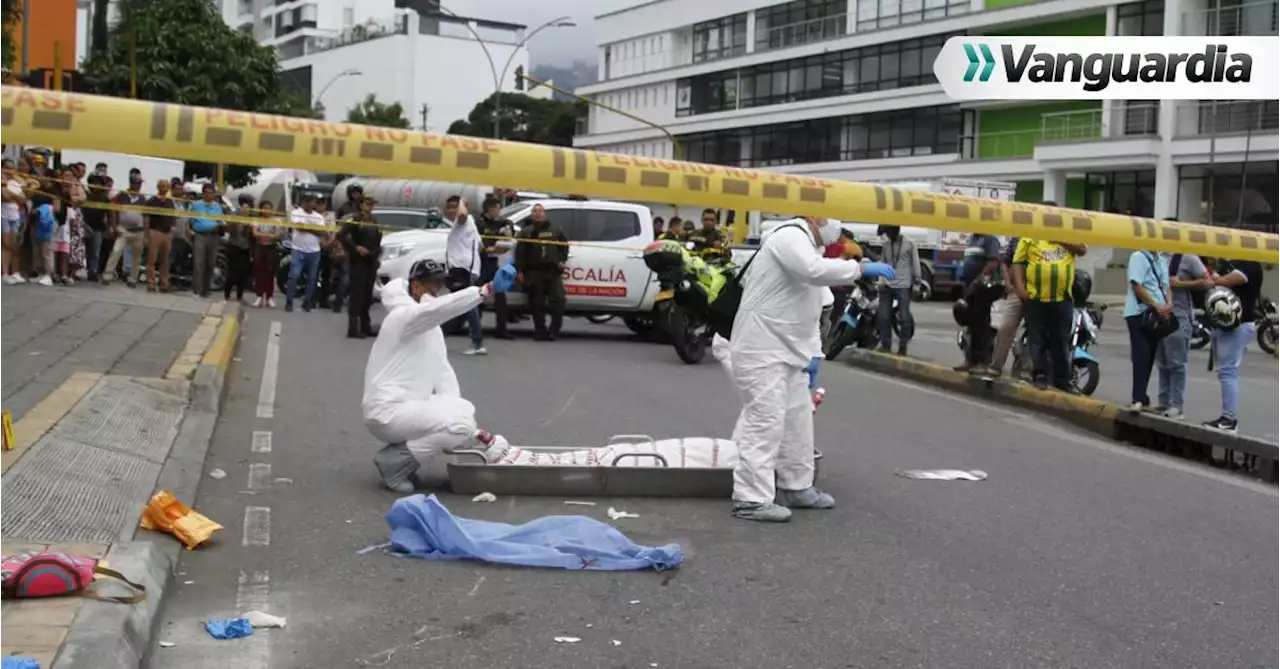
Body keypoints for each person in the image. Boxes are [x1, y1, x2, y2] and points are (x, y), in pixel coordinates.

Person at [727, 216, 893, 523]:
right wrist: (859, 269)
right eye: (833, 224)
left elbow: (816, 308)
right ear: (815, 217)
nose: (837, 234)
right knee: (765, 421)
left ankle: (796, 486)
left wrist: (813, 353)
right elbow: (812, 272)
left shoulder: (809, 247)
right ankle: (750, 498)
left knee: (797, 422)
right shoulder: (788, 236)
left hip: (790, 351)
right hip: (761, 349)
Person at [364, 259, 494, 493]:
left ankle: (405, 457)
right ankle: (393, 462)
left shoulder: (429, 328)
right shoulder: (403, 317)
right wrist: (484, 291)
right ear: (415, 287)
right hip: (387, 411)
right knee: (460, 426)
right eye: (431, 285)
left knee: (464, 416)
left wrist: (459, 416)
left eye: (439, 286)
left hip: (406, 407)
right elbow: (437, 309)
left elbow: (443, 373)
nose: (437, 291)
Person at [1012, 230, 1088, 391]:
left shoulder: (1070, 234)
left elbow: (1082, 250)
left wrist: (1060, 239)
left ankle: (1062, 380)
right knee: (1037, 339)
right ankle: (1040, 376)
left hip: (1062, 299)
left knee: (1061, 339)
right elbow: (1017, 262)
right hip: (1035, 298)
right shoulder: (1029, 237)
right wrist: (1020, 287)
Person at [1203, 258, 1264, 432]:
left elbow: (1231, 279)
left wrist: (1215, 278)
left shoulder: (1251, 264)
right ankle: (1227, 417)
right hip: (1228, 325)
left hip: (1239, 326)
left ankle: (1229, 420)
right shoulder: (1236, 263)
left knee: (1228, 371)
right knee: (1225, 371)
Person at [1154, 237, 1212, 419]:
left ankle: (1176, 406)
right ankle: (1163, 402)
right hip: (1159, 314)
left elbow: (1208, 281)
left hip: (1179, 316)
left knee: (1177, 363)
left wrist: (1182, 284)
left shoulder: (1187, 258)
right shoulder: (1157, 255)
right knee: (1162, 362)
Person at [1124, 248, 1174, 411]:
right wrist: (1155, 305)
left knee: (1150, 355)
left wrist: (1168, 304)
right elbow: (1137, 286)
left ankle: (1142, 397)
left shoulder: (1161, 258)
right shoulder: (1138, 256)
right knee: (1141, 355)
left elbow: (1167, 286)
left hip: (1157, 315)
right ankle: (1137, 398)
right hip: (1139, 313)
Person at [514, 203, 568, 341]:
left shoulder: (556, 231)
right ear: (532, 214)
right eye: (535, 211)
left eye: (540, 211)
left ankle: (553, 331)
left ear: (544, 213)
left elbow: (564, 247)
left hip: (552, 271)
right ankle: (540, 330)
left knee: (559, 301)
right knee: (537, 304)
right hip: (534, 272)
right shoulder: (526, 232)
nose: (538, 213)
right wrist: (520, 271)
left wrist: (561, 260)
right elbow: (520, 254)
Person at [956, 232, 1003, 375]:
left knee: (981, 326)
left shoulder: (990, 239)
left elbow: (993, 263)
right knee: (970, 325)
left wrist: (979, 279)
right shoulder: (972, 239)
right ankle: (970, 359)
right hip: (969, 287)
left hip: (981, 289)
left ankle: (982, 361)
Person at [444, 195, 485, 355]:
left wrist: (462, 200)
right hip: (468, 270)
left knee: (467, 305)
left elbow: (462, 215)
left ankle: (477, 342)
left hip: (463, 270)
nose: (452, 210)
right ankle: (440, 335)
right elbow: (480, 245)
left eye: (455, 206)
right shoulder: (471, 224)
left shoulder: (464, 221)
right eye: (449, 207)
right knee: (459, 306)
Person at [338, 195, 382, 338]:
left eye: (372, 205)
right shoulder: (355, 219)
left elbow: (378, 241)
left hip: (371, 261)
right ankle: (353, 328)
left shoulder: (374, 221)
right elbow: (341, 235)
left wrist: (374, 254)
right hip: (358, 261)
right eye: (368, 204)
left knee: (367, 295)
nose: (371, 207)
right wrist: (356, 248)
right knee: (357, 294)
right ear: (361, 205)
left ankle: (365, 326)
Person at [875, 224, 920, 355]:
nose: (888, 235)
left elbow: (915, 263)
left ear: (896, 230)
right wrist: (881, 281)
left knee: (904, 318)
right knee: (883, 316)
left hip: (903, 285)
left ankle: (903, 347)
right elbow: (882, 264)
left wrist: (917, 281)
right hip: (887, 285)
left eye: (889, 232)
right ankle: (886, 345)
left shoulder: (910, 244)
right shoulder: (886, 246)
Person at [477, 195, 515, 340]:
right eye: (498, 209)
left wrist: (508, 229)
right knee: (478, 296)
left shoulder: (499, 223)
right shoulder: (479, 224)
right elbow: (478, 243)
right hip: (481, 264)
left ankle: (501, 329)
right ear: (490, 209)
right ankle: (476, 327)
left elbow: (509, 225)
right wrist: (489, 249)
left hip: (494, 264)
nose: (499, 212)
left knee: (500, 298)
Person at [104, 168, 148, 287]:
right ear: (131, 183)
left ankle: (133, 278)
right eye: (137, 183)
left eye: (140, 184)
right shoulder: (121, 196)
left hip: (139, 231)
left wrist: (146, 233)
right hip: (123, 229)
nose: (139, 186)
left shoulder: (143, 199)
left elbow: (146, 216)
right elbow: (113, 210)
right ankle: (107, 275)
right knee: (116, 251)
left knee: (136, 256)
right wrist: (114, 226)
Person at [285, 195, 326, 312]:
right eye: (307, 201)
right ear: (302, 202)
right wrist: (314, 229)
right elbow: (299, 227)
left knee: (312, 278)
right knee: (294, 275)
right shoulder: (296, 213)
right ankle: (289, 301)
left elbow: (323, 232)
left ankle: (306, 302)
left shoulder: (319, 217)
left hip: (314, 251)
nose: (310, 204)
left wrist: (308, 228)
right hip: (298, 249)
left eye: (312, 201)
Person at [991, 235, 1024, 375]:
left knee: (1035, 334)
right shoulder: (1018, 239)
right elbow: (1005, 262)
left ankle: (1025, 370)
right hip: (1016, 291)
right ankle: (996, 366)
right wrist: (1008, 283)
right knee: (1005, 327)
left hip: (1037, 293)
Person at [189, 183, 224, 297]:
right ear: (203, 193)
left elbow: (221, 221)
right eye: (206, 192)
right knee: (198, 263)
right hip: (200, 235)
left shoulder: (217, 207)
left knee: (211, 263)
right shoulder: (196, 205)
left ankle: (206, 289)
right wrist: (193, 231)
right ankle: (196, 290)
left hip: (213, 236)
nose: (209, 195)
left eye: (211, 193)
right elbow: (191, 220)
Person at [144, 179, 177, 292]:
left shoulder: (170, 201)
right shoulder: (152, 201)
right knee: (152, 259)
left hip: (167, 233)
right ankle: (151, 282)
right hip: (155, 231)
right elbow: (146, 217)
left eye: (165, 186)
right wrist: (147, 234)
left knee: (165, 259)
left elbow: (173, 217)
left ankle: (164, 283)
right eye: (161, 186)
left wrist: (172, 230)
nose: (163, 188)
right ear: (158, 187)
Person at [221, 194, 254, 302]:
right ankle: (227, 294)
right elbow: (229, 229)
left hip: (246, 247)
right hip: (235, 246)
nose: (248, 207)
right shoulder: (234, 215)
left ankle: (240, 296)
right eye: (247, 204)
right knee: (233, 272)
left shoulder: (251, 217)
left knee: (243, 274)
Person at [1, 158, 28, 284]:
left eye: (12, 167)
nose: (10, 170)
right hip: (3, 215)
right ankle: (5, 273)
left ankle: (15, 272)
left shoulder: (16, 182)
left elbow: (23, 199)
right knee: (5, 244)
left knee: (14, 245)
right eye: (7, 167)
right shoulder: (2, 181)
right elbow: (5, 196)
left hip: (15, 215)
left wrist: (14, 197)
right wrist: (15, 197)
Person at [251, 200, 280, 308]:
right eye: (264, 208)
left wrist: (264, 235)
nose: (266, 210)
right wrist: (268, 235)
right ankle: (259, 296)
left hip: (271, 248)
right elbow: (255, 233)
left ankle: (269, 297)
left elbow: (277, 235)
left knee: (270, 273)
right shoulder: (257, 220)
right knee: (259, 272)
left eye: (269, 208)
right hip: (259, 247)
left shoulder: (275, 221)